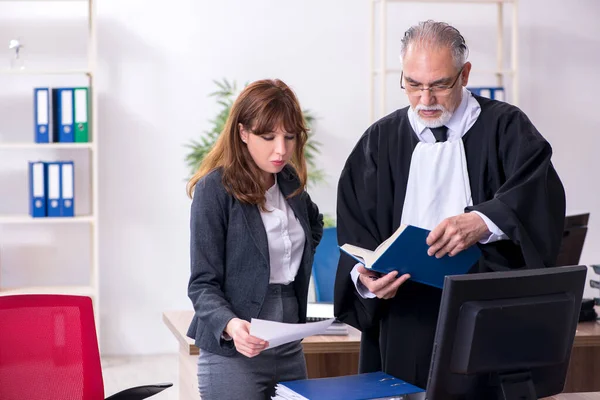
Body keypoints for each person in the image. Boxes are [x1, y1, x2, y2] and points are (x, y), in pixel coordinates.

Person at [334, 20, 566, 390]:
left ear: (465, 74)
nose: (425, 100)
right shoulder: (379, 141)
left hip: (485, 319)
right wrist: (366, 280)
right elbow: (355, 235)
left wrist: (485, 220)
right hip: (404, 317)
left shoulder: (506, 128)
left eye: (440, 85)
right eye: (413, 84)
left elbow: (540, 198)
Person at [186, 79, 324, 400]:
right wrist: (232, 325)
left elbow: (313, 227)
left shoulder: (289, 182)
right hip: (235, 351)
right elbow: (202, 284)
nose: (281, 149)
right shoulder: (214, 190)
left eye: (290, 137)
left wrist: (292, 262)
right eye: (268, 137)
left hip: (288, 345)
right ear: (243, 132)